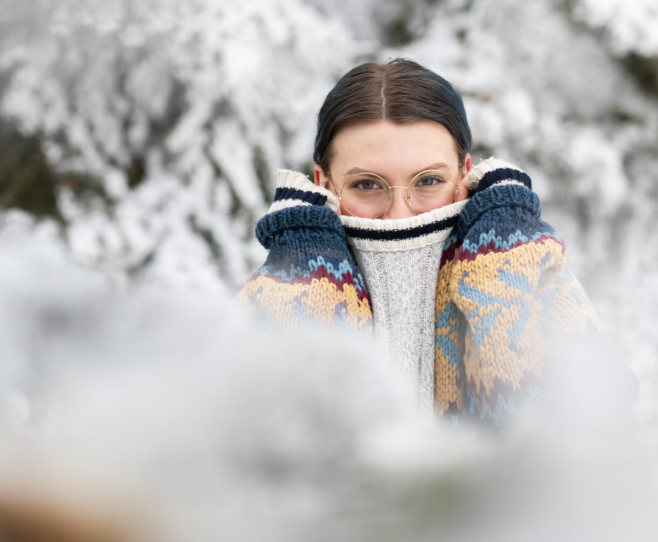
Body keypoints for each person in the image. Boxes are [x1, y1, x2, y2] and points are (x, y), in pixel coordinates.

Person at [239, 59, 603, 425]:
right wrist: (303, 286)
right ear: (324, 183)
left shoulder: (535, 274)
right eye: (367, 185)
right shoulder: (268, 300)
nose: (400, 216)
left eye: (428, 182)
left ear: (464, 173)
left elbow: (600, 439)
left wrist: (504, 286)